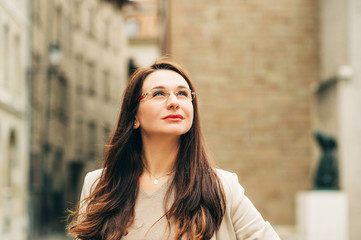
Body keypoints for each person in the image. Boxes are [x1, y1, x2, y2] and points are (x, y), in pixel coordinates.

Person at [68, 60, 280, 240]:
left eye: (182, 94)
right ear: (134, 116)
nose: (174, 102)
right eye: (159, 94)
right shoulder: (99, 185)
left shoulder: (222, 187)